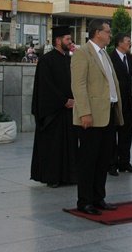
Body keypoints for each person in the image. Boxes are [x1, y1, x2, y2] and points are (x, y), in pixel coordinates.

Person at [71, 19, 123, 216]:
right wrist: (85, 112)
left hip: (107, 113)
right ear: (97, 33)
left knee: (103, 160)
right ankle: (84, 201)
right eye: (107, 32)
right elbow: (79, 85)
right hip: (91, 115)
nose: (110, 35)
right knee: (88, 160)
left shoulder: (104, 55)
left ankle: (98, 197)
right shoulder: (82, 53)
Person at [30, 26, 77, 188]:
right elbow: (46, 86)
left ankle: (68, 176)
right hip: (53, 112)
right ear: (58, 41)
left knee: (69, 145)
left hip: (69, 111)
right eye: (67, 39)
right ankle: (53, 177)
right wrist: (64, 101)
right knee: (54, 146)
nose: (70, 42)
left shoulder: (69, 59)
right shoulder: (46, 60)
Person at [108, 33, 132, 175]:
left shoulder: (130, 59)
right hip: (115, 101)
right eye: (127, 41)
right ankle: (112, 163)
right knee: (113, 133)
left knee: (126, 133)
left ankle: (125, 162)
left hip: (128, 100)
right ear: (119, 43)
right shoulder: (110, 58)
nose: (130, 44)